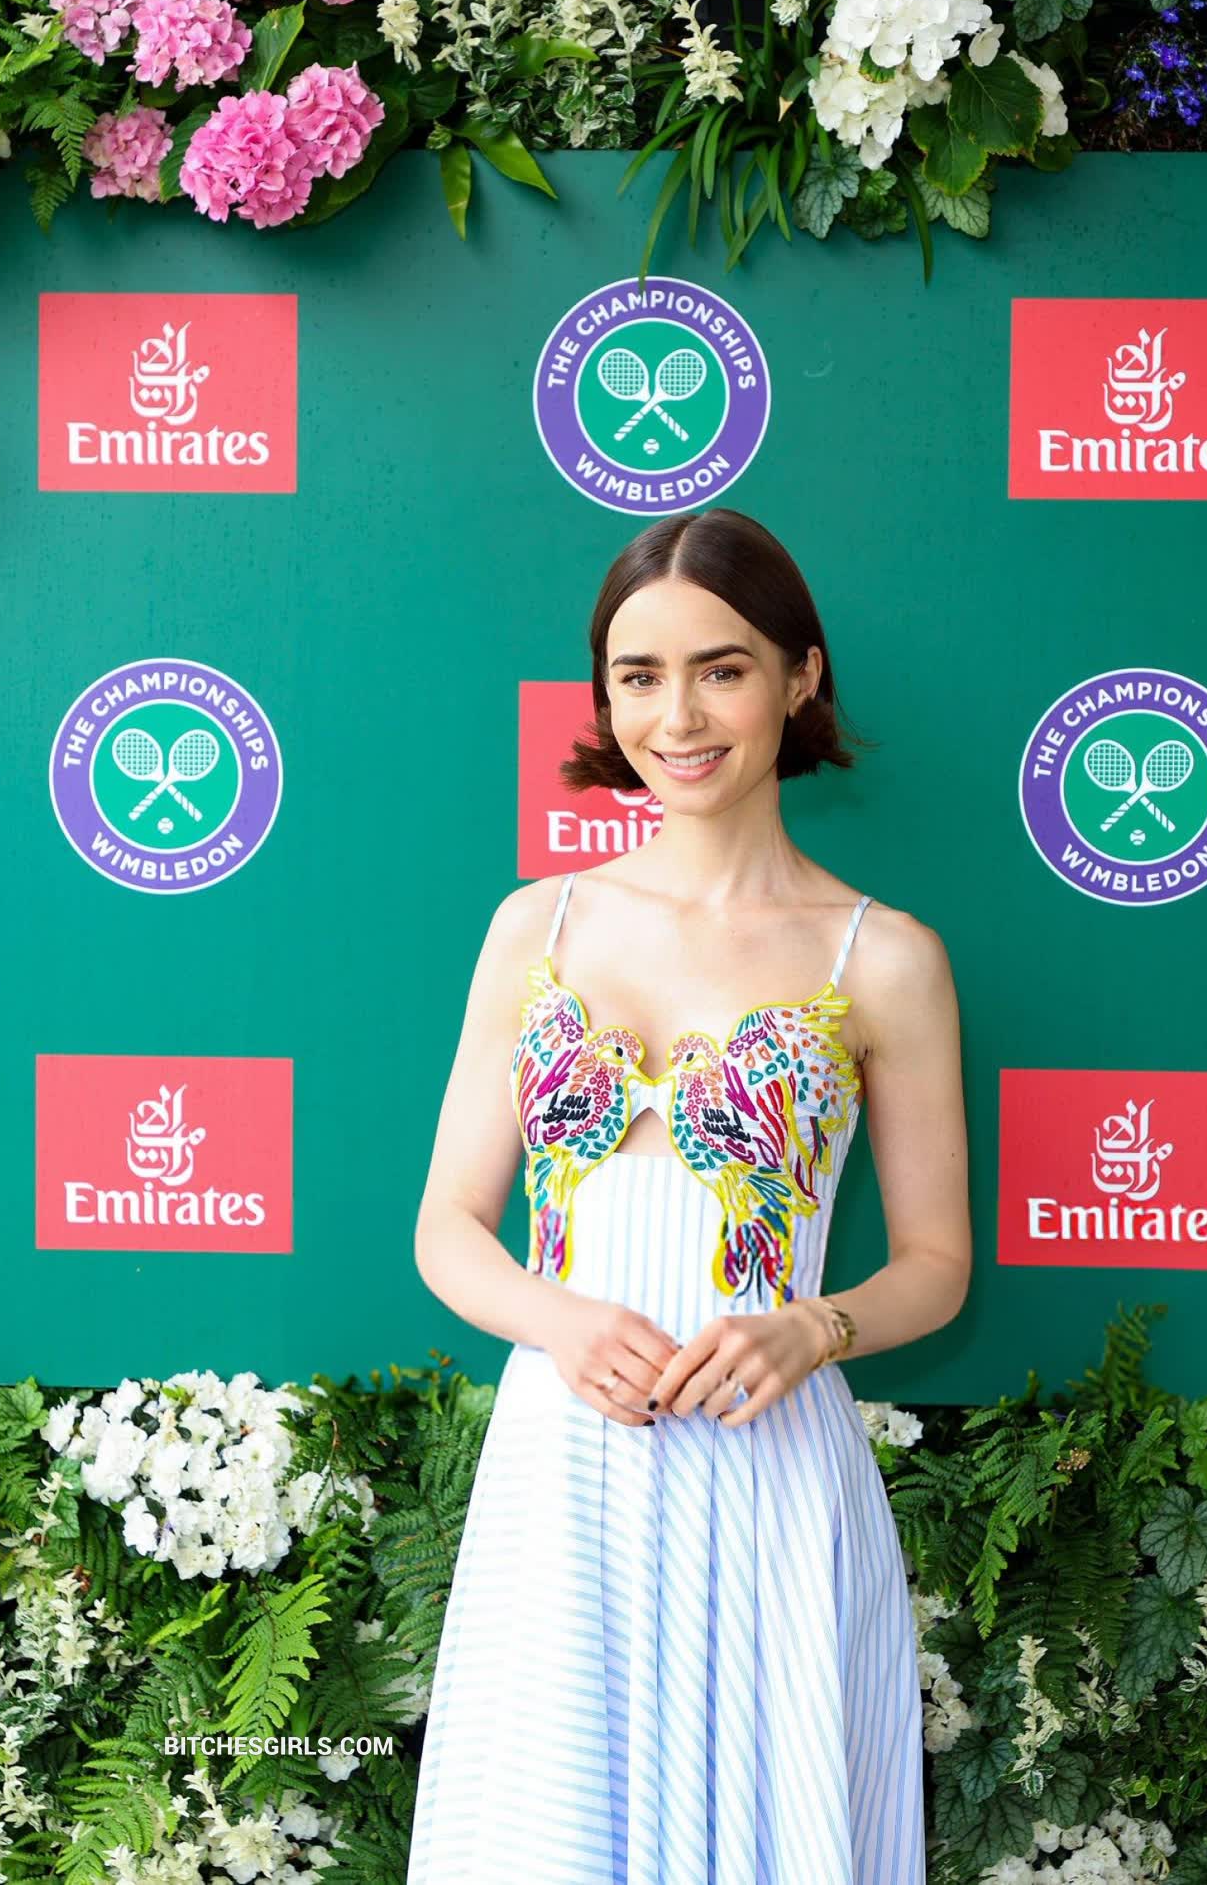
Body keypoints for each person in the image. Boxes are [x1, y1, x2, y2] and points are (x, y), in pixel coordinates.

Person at [406, 505, 971, 1884]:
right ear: (606, 698)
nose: (679, 717)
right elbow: (448, 1229)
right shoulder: (536, 926)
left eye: (722, 669)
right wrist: (557, 1321)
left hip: (771, 1475)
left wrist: (813, 1328)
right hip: (567, 1475)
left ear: (801, 676)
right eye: (639, 676)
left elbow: (937, 1263)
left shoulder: (884, 957)